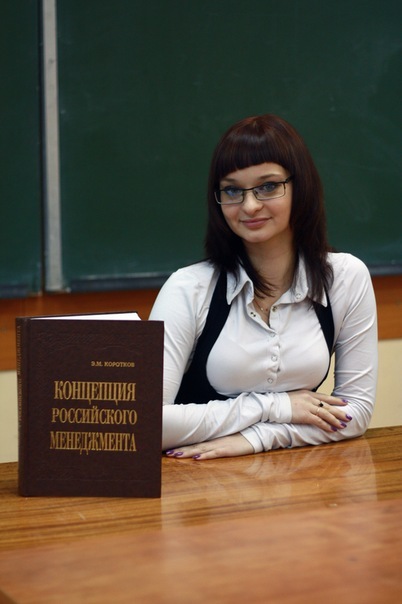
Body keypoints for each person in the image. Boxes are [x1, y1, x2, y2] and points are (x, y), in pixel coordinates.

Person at [149, 114, 378, 460]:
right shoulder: (188, 288)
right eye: (232, 190)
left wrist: (257, 438)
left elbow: (354, 413)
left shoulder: (345, 277)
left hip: (304, 479)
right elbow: (147, 422)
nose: (249, 206)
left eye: (268, 186)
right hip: (196, 481)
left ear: (300, 187)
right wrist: (276, 406)